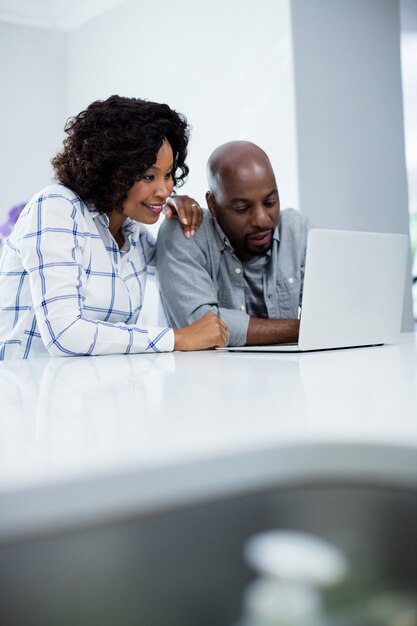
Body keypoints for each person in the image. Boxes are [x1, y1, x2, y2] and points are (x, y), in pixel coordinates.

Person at [0, 96, 228, 360]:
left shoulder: (136, 235)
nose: (165, 190)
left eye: (168, 175)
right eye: (149, 176)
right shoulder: (57, 208)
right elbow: (64, 335)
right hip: (29, 392)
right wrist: (178, 337)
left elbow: (184, 268)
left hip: (95, 393)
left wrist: (179, 217)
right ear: (112, 172)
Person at [156, 140, 311, 346]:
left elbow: (331, 313)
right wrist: (301, 329)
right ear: (212, 204)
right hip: (206, 377)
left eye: (270, 202)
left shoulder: (297, 229)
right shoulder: (186, 232)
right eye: (241, 208)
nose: (262, 220)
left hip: (288, 375)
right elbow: (198, 326)